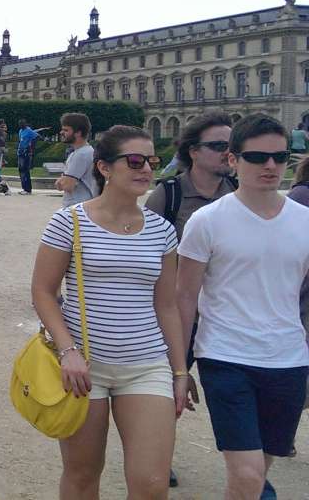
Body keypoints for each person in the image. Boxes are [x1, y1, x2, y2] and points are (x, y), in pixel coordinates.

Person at [30, 125, 183, 499]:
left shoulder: (161, 230)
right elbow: (43, 292)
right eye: (135, 160)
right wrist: (68, 351)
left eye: (151, 161)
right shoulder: (69, 222)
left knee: (152, 485)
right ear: (104, 167)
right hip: (84, 367)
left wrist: (179, 371)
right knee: (83, 476)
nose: (146, 169)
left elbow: (166, 305)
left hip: (146, 365)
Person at [176, 114, 309, 500]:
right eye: (257, 157)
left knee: (255, 476)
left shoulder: (304, 221)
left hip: (288, 359)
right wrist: (179, 367)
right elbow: (184, 297)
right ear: (233, 160)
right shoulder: (206, 221)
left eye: (279, 157)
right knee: (249, 476)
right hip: (225, 357)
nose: (270, 165)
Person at [142, 111, 238, 490]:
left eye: (231, 146)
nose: (227, 153)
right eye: (218, 146)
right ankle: (159, 455)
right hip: (178, 310)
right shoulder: (169, 195)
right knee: (168, 385)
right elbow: (146, 253)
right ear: (194, 151)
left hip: (226, 313)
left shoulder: (240, 195)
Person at [55, 113, 98, 208]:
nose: (61, 132)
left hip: (77, 206)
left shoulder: (80, 155)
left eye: (66, 130)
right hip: (84, 204)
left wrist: (61, 180)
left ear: (78, 132)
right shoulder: (86, 151)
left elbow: (67, 186)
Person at [16, 119, 49, 195]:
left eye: (22, 124)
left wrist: (43, 140)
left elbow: (37, 135)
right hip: (20, 152)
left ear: (25, 124)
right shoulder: (20, 131)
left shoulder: (29, 130)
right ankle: (24, 188)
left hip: (26, 152)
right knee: (21, 170)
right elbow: (21, 141)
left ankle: (28, 189)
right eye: (20, 124)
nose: (21, 125)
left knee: (25, 170)